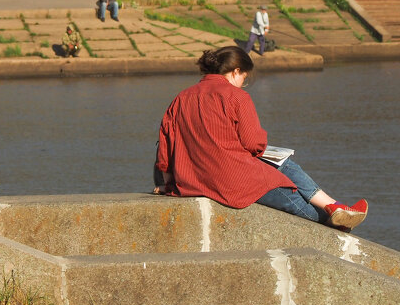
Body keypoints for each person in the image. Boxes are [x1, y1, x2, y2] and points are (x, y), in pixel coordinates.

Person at [154, 46, 369, 230]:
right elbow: (254, 144)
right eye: (244, 78)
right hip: (232, 183)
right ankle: (336, 216)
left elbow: (164, 152)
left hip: (190, 181)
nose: (243, 83)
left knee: (285, 167)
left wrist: (167, 185)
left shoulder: (180, 98)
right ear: (236, 71)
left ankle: (336, 206)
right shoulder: (236, 97)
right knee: (294, 198)